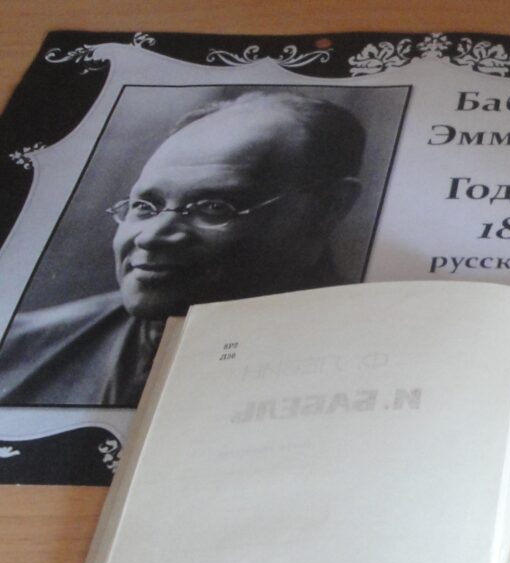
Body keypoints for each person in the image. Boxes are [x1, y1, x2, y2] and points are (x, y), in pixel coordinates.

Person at [0, 90, 364, 407]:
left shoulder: (363, 354)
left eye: (214, 207)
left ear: (329, 209)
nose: (151, 237)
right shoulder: (18, 347)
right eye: (145, 206)